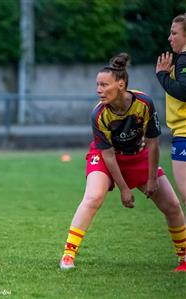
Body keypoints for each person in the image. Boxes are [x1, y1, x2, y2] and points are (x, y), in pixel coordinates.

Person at [59, 53, 186, 272]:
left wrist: (152, 178)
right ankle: (68, 255)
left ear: (121, 84)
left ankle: (184, 259)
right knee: (93, 197)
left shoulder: (144, 103)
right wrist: (124, 189)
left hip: (139, 156)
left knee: (172, 205)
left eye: (104, 85)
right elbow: (107, 154)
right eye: (97, 84)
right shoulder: (98, 114)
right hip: (106, 157)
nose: (99, 89)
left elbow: (154, 142)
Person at [156, 13, 186, 209]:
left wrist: (162, 76)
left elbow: (184, 91)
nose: (170, 38)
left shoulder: (184, 60)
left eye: (174, 33)